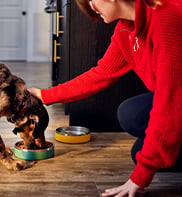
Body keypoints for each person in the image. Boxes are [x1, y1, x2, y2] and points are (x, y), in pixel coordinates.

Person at [28, 0, 182, 196]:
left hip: (176, 95)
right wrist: (45, 95)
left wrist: (141, 175)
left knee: (148, 155)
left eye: (91, 1)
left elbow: (169, 101)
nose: (91, 8)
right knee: (131, 115)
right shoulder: (125, 30)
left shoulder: (166, 19)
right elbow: (100, 74)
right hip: (175, 93)